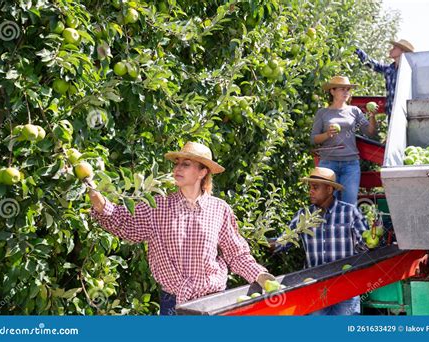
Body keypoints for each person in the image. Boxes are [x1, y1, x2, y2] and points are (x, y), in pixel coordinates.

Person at [87, 141, 275, 315]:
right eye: (176, 163)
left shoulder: (219, 209)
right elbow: (124, 222)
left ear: (202, 172)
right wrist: (100, 204)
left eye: (186, 164)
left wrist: (260, 275)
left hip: (213, 301)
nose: (177, 168)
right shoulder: (158, 205)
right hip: (173, 302)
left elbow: (236, 254)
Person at [271, 167, 369, 315]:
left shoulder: (350, 212)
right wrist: (262, 241)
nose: (311, 191)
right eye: (310, 187)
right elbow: (283, 243)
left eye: (315, 187)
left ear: (329, 189)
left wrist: (371, 238)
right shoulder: (304, 215)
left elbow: (365, 247)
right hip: (315, 287)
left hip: (346, 285)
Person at [311, 75, 377, 206]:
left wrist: (372, 116)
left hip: (350, 164)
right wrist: (327, 134)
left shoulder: (354, 111)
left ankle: (346, 227)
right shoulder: (322, 113)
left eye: (348, 89)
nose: (346, 92)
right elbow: (313, 139)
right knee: (326, 204)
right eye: (342, 89)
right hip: (328, 164)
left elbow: (371, 132)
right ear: (332, 91)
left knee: (349, 205)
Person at [355, 39, 415, 119]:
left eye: (394, 48)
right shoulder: (389, 69)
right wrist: (356, 49)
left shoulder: (409, 71)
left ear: (402, 52)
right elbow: (372, 64)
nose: (391, 50)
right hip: (391, 113)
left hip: (405, 113)